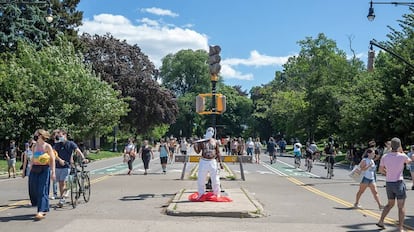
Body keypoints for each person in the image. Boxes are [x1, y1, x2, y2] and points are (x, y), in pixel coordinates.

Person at [376, 137, 414, 231]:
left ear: (390, 146)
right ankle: (400, 227)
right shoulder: (402, 156)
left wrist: (388, 172)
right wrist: (402, 151)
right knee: (401, 207)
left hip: (389, 183)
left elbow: (380, 170)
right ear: (399, 145)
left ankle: (381, 221)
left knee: (390, 204)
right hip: (399, 182)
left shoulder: (385, 156)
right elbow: (410, 161)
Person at [53, 129, 88, 207]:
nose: (59, 138)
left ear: (65, 135)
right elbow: (53, 153)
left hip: (66, 166)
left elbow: (78, 150)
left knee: (63, 182)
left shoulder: (70, 143)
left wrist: (83, 158)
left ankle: (62, 199)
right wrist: (59, 160)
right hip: (58, 166)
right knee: (60, 183)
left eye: (61, 136)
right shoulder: (58, 145)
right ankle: (63, 196)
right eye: (58, 136)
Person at [29, 129, 56, 220]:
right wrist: (30, 167)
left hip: (44, 169)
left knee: (42, 189)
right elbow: (33, 158)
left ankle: (40, 211)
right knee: (34, 189)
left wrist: (53, 172)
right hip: (35, 169)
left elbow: (52, 159)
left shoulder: (47, 146)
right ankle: (44, 207)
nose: (34, 136)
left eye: (36, 134)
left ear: (40, 135)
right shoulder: (34, 146)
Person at [193, 127, 223, 199]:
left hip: (212, 161)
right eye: (209, 130)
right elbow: (198, 152)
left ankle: (217, 194)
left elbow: (218, 152)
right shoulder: (202, 141)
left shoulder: (215, 142)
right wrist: (194, 146)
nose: (210, 132)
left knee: (215, 179)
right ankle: (201, 194)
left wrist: (220, 163)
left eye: (212, 131)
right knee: (201, 178)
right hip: (204, 161)